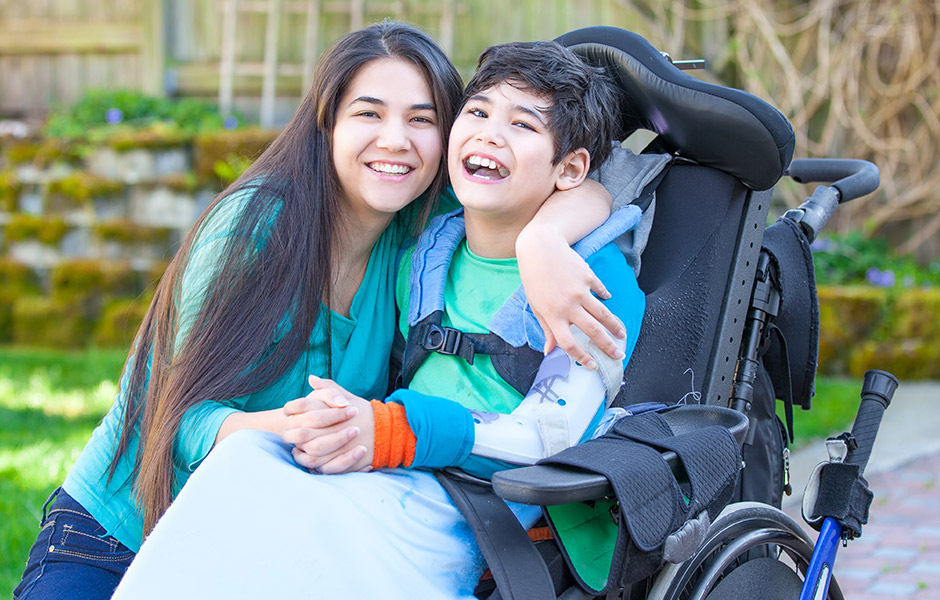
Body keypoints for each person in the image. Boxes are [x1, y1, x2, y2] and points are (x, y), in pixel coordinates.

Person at [13, 23, 623, 600]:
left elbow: (585, 183)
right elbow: (179, 422)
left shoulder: (424, 237)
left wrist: (542, 242)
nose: (395, 140)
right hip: (119, 532)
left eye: (422, 119)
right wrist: (314, 428)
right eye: (368, 114)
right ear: (326, 123)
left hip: (265, 537)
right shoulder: (254, 229)